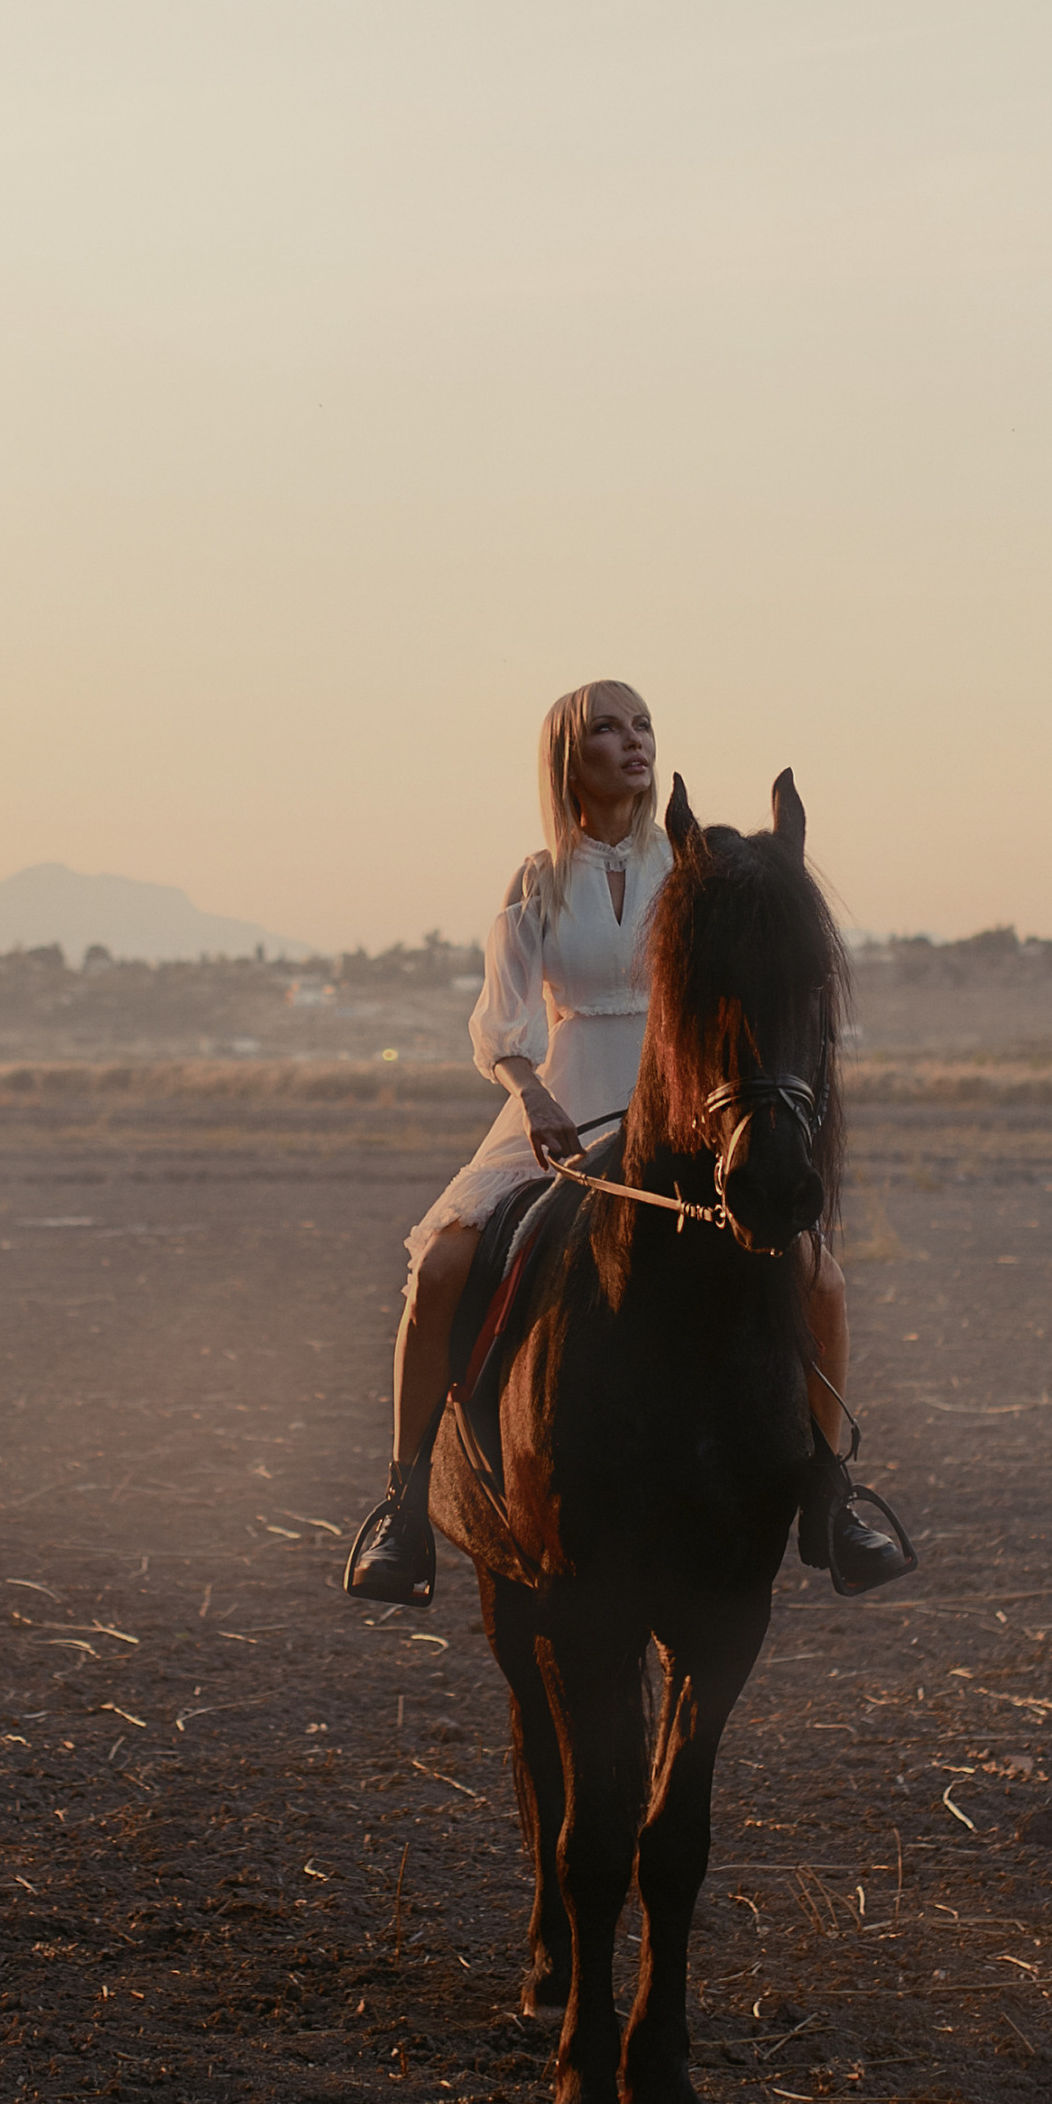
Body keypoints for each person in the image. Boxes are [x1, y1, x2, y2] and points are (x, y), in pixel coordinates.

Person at [342, 677, 899, 1601]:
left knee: (819, 1277)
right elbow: (501, 1025)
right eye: (608, 728)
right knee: (440, 1266)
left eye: (643, 725)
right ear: (572, 756)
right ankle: (402, 1508)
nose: (634, 742)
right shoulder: (535, 882)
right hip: (559, 1105)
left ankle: (831, 1494)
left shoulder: (691, 874)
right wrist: (530, 1097)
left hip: (674, 1103)